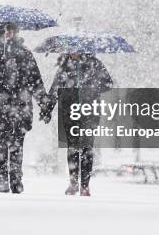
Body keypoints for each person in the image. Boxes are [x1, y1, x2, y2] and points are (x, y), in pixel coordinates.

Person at [0, 23, 46, 194]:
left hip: (19, 107)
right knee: (0, 145)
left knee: (17, 144)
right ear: (0, 32)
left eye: (11, 30)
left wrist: (44, 104)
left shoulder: (25, 55)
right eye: (6, 30)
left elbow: (35, 81)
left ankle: (16, 178)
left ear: (16, 33)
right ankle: (2, 178)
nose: (9, 34)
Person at [41, 53, 113, 196]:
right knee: (72, 147)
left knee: (87, 147)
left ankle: (85, 185)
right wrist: (47, 110)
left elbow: (108, 84)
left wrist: (91, 84)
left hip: (90, 111)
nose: (73, 52)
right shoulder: (64, 66)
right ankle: (73, 182)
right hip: (69, 111)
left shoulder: (94, 63)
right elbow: (55, 88)